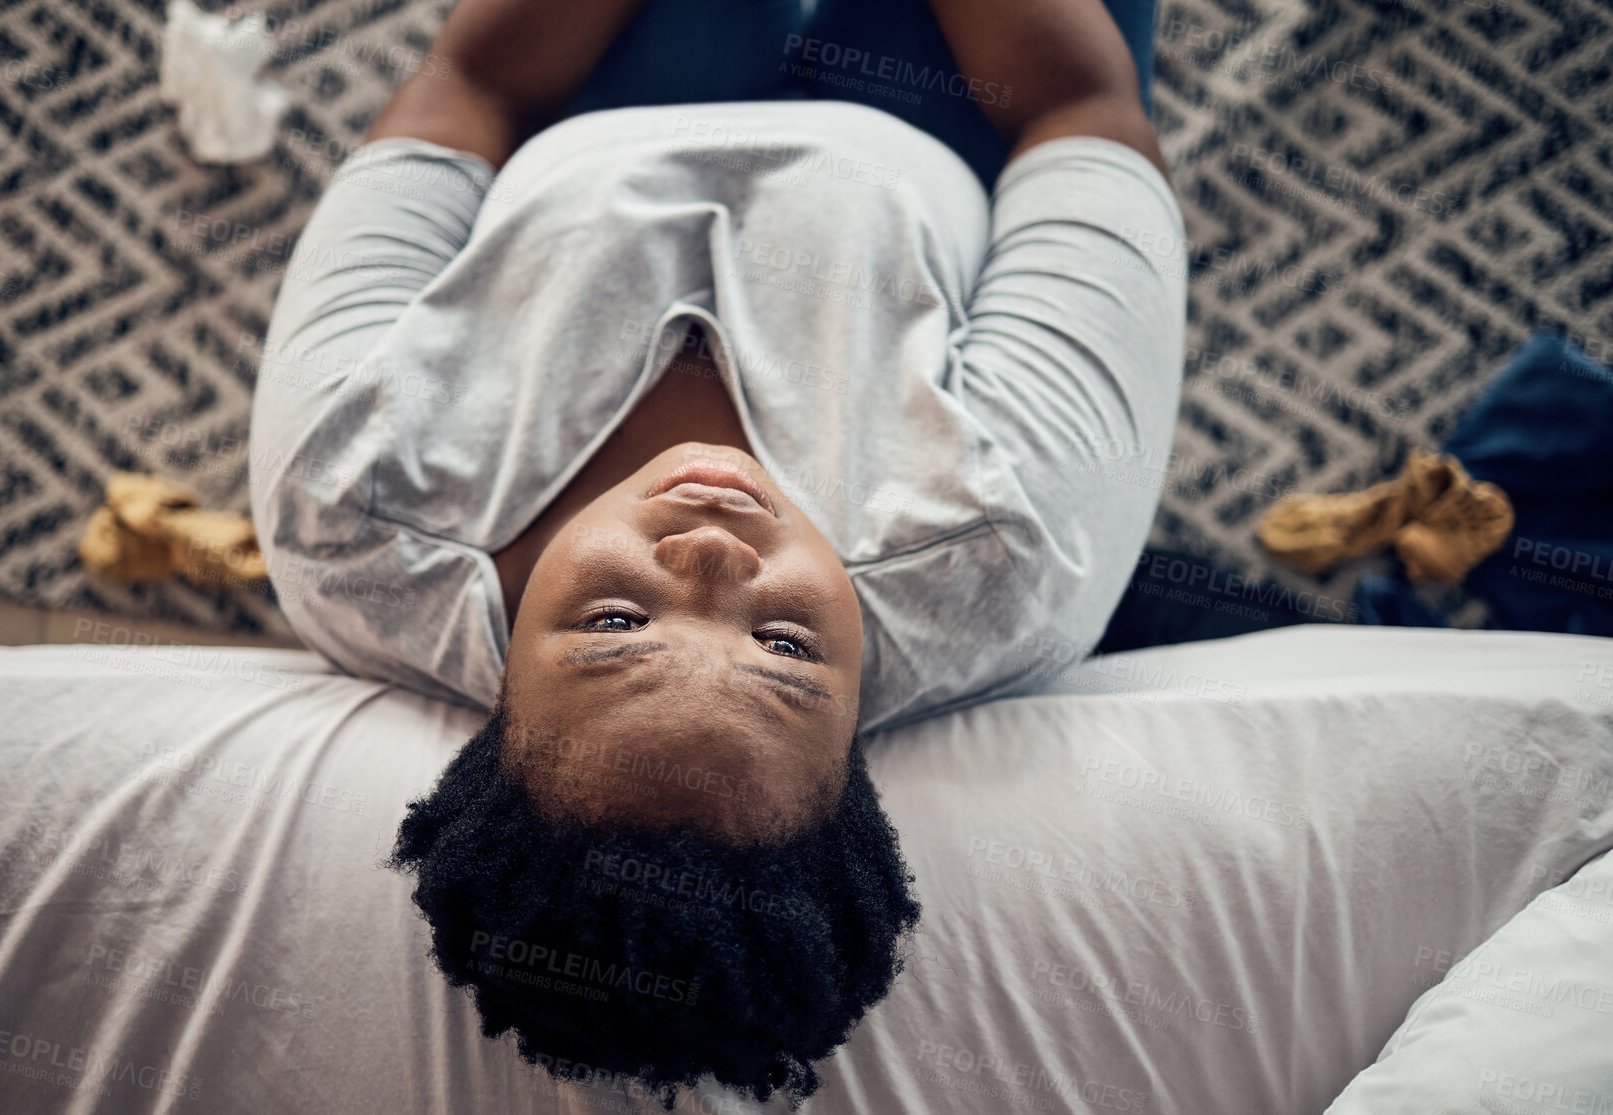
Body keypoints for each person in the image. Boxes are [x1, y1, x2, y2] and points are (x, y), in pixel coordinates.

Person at [249, 0, 1184, 1104]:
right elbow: (1080, 113)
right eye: (784, 643)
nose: (708, 559)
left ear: (491, 714)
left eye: (614, 626)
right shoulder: (1006, 545)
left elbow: (464, 89)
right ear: (858, 748)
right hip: (949, 122)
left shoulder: (349, 507)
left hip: (592, 100)